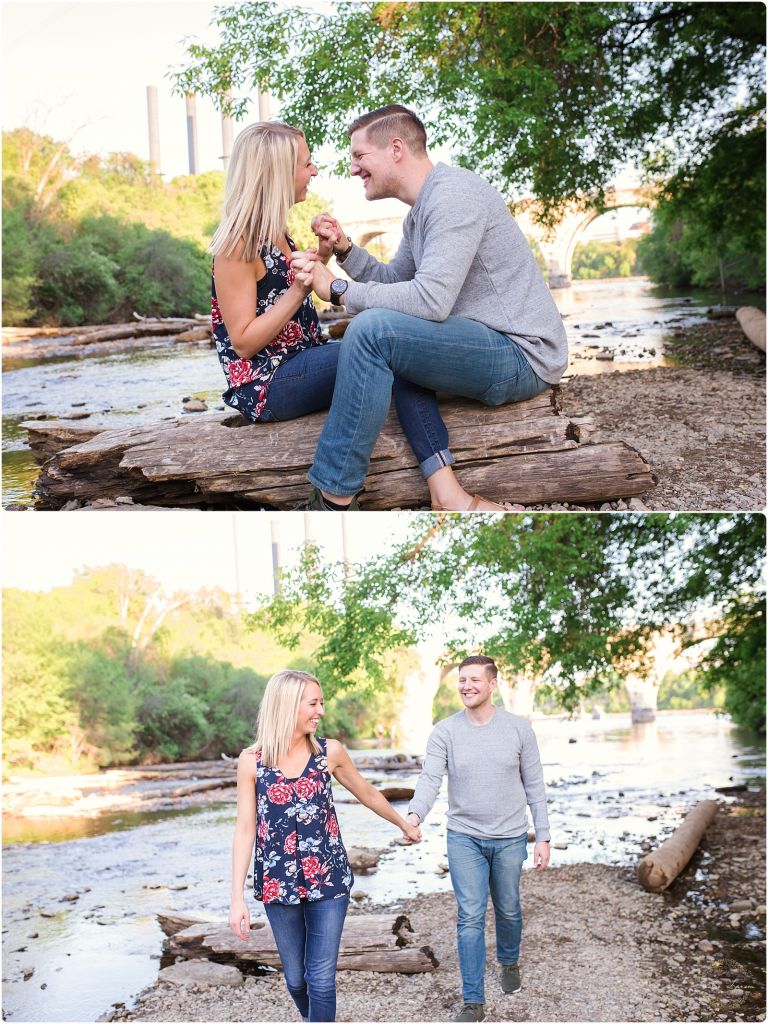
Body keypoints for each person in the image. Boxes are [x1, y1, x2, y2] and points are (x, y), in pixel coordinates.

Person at [290, 104, 569, 512]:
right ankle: (447, 492)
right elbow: (397, 285)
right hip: (482, 341)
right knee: (389, 333)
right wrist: (347, 250)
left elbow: (430, 300)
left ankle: (332, 499)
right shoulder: (421, 211)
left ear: (396, 149)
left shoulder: (454, 195)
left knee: (371, 332)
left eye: (359, 156)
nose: (353, 169)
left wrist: (336, 289)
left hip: (522, 352)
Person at [229, 670, 421, 1023]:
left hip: (328, 881)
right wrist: (236, 898)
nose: (321, 711)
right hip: (277, 884)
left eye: (322, 703)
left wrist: (401, 822)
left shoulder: (329, 753)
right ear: (287, 706)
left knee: (320, 978)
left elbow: (366, 792)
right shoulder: (251, 761)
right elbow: (245, 830)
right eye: (313, 703)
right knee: (296, 979)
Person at [405, 655, 550, 1022]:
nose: (466, 686)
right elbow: (430, 780)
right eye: (462, 680)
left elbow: (535, 787)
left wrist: (543, 836)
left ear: (492, 684)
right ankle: (473, 1001)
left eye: (474, 680)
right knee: (469, 916)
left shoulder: (518, 730)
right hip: (463, 837)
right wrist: (414, 814)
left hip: (510, 837)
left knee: (509, 909)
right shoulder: (445, 732)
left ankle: (509, 960)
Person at [209, 121, 339, 424]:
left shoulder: (275, 231)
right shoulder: (236, 242)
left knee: (390, 347)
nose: (315, 171)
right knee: (377, 345)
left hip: (301, 363)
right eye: (306, 164)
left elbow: (278, 295)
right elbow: (242, 342)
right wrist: (299, 290)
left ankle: (434, 461)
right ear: (278, 173)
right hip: (267, 383)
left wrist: (322, 256)